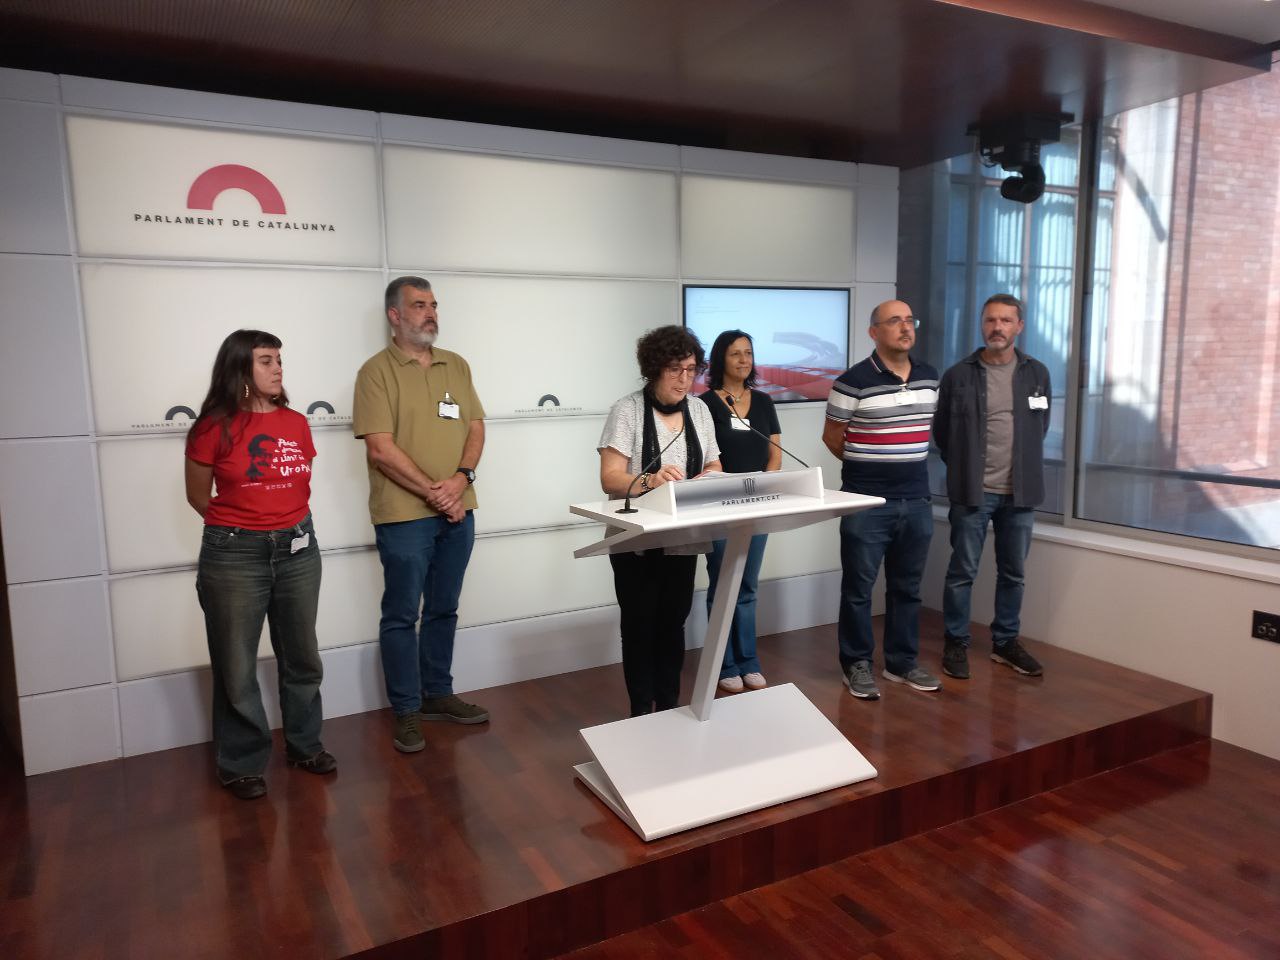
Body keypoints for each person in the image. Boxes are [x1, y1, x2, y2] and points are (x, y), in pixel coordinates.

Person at [185, 329, 334, 801]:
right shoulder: (212, 427)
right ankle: (242, 764)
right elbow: (198, 496)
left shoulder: (296, 422)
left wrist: (280, 525)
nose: (278, 368)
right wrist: (244, 529)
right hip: (234, 554)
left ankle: (305, 746)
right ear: (240, 370)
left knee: (302, 655)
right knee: (236, 664)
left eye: (279, 359)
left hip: (298, 546)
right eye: (266, 360)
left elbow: (297, 485)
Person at [353, 276, 488, 755]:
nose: (430, 313)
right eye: (418, 305)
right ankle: (407, 710)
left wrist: (461, 480)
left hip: (458, 509)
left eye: (433, 304)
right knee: (401, 614)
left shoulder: (457, 364)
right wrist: (438, 493)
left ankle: (437, 693)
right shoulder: (375, 372)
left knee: (444, 607)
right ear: (395, 315)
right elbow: (380, 449)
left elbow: (476, 427)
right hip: (403, 516)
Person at [598, 325, 723, 716]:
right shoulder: (627, 410)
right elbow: (610, 478)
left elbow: (714, 464)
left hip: (683, 537)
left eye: (691, 370)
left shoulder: (699, 410)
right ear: (654, 368)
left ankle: (669, 707)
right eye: (675, 369)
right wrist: (650, 480)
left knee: (673, 625)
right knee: (639, 627)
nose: (685, 379)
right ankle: (640, 711)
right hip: (635, 539)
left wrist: (708, 479)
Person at [822, 300, 941, 700]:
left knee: (908, 587)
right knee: (859, 589)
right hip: (867, 502)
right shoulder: (852, 381)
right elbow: (833, 437)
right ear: (874, 332)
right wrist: (868, 467)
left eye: (909, 320)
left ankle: (901, 662)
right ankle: (855, 663)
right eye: (894, 321)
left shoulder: (929, 376)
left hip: (917, 499)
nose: (905, 327)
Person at [934, 293, 1052, 680]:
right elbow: (943, 434)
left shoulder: (1037, 373)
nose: (996, 327)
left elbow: (1040, 427)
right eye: (990, 320)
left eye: (1005, 320)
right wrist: (965, 468)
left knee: (1013, 573)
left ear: (1019, 326)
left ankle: (1005, 642)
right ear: (981, 325)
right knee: (962, 572)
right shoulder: (958, 375)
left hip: (1020, 493)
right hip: (973, 491)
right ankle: (956, 641)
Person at [700, 330, 782, 693]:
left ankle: (749, 660)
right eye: (735, 353)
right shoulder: (703, 404)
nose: (744, 360)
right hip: (719, 506)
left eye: (748, 353)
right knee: (723, 584)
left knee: (747, 585)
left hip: (757, 505)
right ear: (720, 359)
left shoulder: (764, 401)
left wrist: (765, 490)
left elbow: (775, 455)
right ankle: (724, 663)